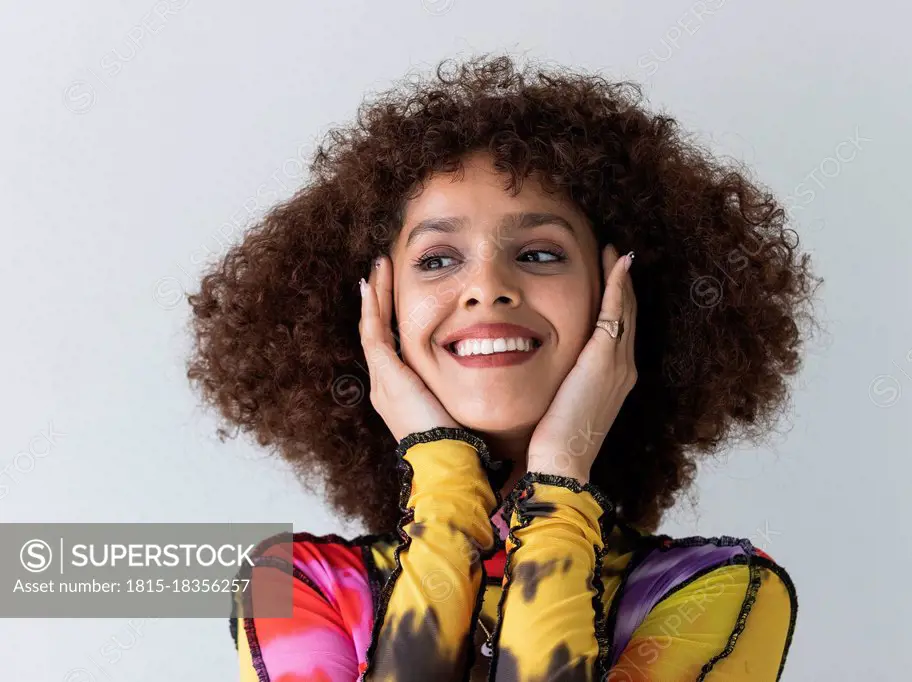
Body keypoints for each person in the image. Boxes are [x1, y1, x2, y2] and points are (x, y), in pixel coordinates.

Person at [186, 53, 820, 681]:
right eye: (436, 260)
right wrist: (445, 481)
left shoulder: (717, 591)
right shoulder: (299, 586)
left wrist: (560, 477)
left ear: (619, 300)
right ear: (377, 314)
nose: (487, 286)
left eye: (540, 252)